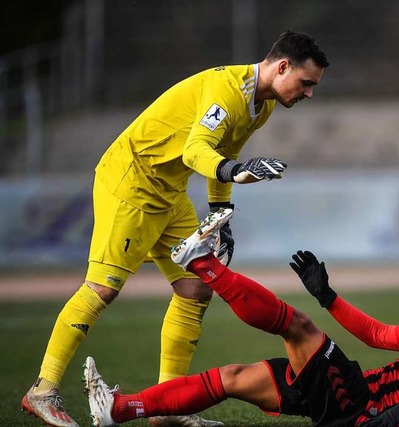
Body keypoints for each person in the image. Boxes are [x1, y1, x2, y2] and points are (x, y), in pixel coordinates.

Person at [21, 31, 329, 427]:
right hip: (131, 181)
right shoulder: (227, 90)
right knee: (102, 288)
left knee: (195, 289)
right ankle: (42, 390)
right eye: (306, 84)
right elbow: (197, 151)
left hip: (168, 189)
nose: (309, 94)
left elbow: (224, 152)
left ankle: (166, 409)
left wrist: (222, 209)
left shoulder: (261, 104)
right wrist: (234, 172)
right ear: (282, 66)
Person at [83, 208, 399, 427]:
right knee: (233, 377)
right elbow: (379, 333)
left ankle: (202, 264)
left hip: (363, 414)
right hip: (353, 394)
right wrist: (328, 296)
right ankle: (117, 411)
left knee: (296, 326)